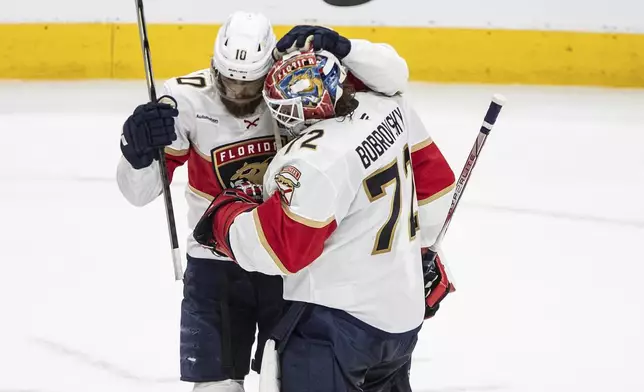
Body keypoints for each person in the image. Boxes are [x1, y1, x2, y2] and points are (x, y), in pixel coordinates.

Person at [116, 11, 412, 392]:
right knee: (216, 388)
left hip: (286, 268)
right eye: (229, 83)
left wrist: (348, 49)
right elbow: (138, 194)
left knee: (283, 382)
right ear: (213, 68)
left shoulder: (296, 87)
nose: (238, 95)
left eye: (250, 85)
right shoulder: (183, 101)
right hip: (216, 265)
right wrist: (136, 153)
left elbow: (394, 78)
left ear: (271, 69)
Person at [192, 48, 456, 391]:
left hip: (337, 327)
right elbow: (437, 191)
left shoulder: (311, 161)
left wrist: (224, 217)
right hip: (402, 319)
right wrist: (421, 252)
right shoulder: (388, 107)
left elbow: (278, 249)